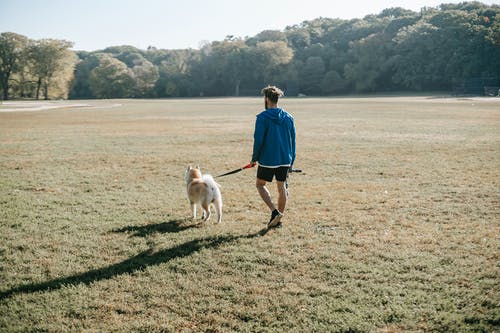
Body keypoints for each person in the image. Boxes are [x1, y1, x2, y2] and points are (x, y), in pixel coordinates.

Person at [251, 85, 296, 229]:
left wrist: (254, 158)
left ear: (266, 99)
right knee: (282, 187)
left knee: (260, 184)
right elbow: (293, 141)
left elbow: (258, 140)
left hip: (268, 160)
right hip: (285, 159)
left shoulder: (262, 117)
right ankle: (279, 219)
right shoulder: (289, 117)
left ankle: (275, 212)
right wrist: (291, 161)